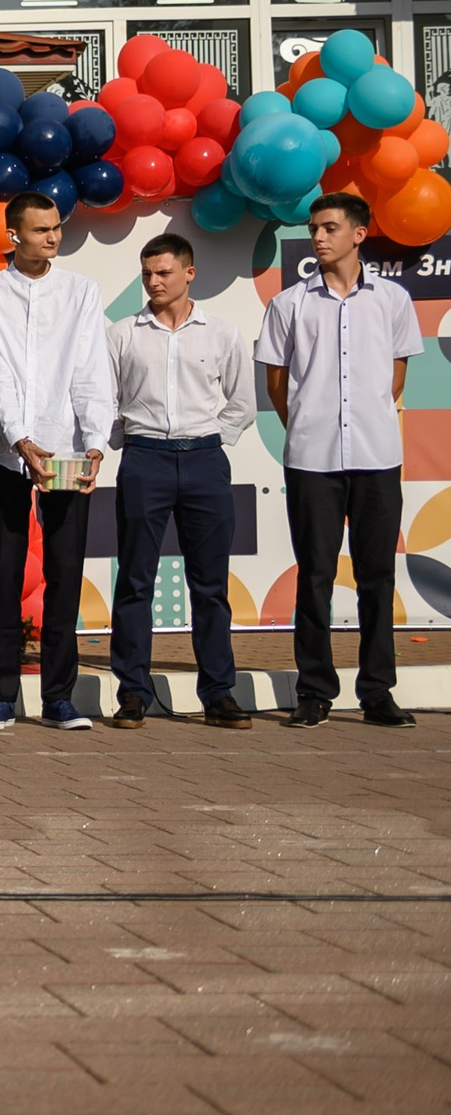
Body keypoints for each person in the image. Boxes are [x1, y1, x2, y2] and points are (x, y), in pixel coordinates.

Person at [258, 192, 423, 730]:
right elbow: (277, 383)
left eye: (329, 227)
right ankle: (314, 691)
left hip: (378, 456)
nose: (318, 237)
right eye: (314, 228)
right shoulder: (288, 304)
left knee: (377, 577)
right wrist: (310, 424)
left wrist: (363, 417)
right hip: (312, 459)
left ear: (358, 234)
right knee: (315, 577)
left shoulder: (393, 299)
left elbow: (395, 377)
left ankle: (377, 691)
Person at [0, 190, 115, 732]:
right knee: (5, 574)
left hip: (68, 450)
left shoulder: (82, 291)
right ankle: (1, 698)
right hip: (7, 453)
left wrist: (95, 440)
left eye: (56, 227)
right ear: (13, 235)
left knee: (65, 574)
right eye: (41, 229)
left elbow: (91, 369)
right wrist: (19, 439)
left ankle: (59, 699)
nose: (53, 237)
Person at [105, 233, 255, 731]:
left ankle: (218, 692)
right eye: (147, 273)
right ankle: (133, 692)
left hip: (205, 461)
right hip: (144, 460)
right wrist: (129, 443)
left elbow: (242, 402)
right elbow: (105, 401)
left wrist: (211, 440)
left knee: (210, 584)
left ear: (189, 273)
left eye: (164, 272)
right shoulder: (121, 334)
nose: (154, 282)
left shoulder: (222, 333)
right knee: (135, 580)